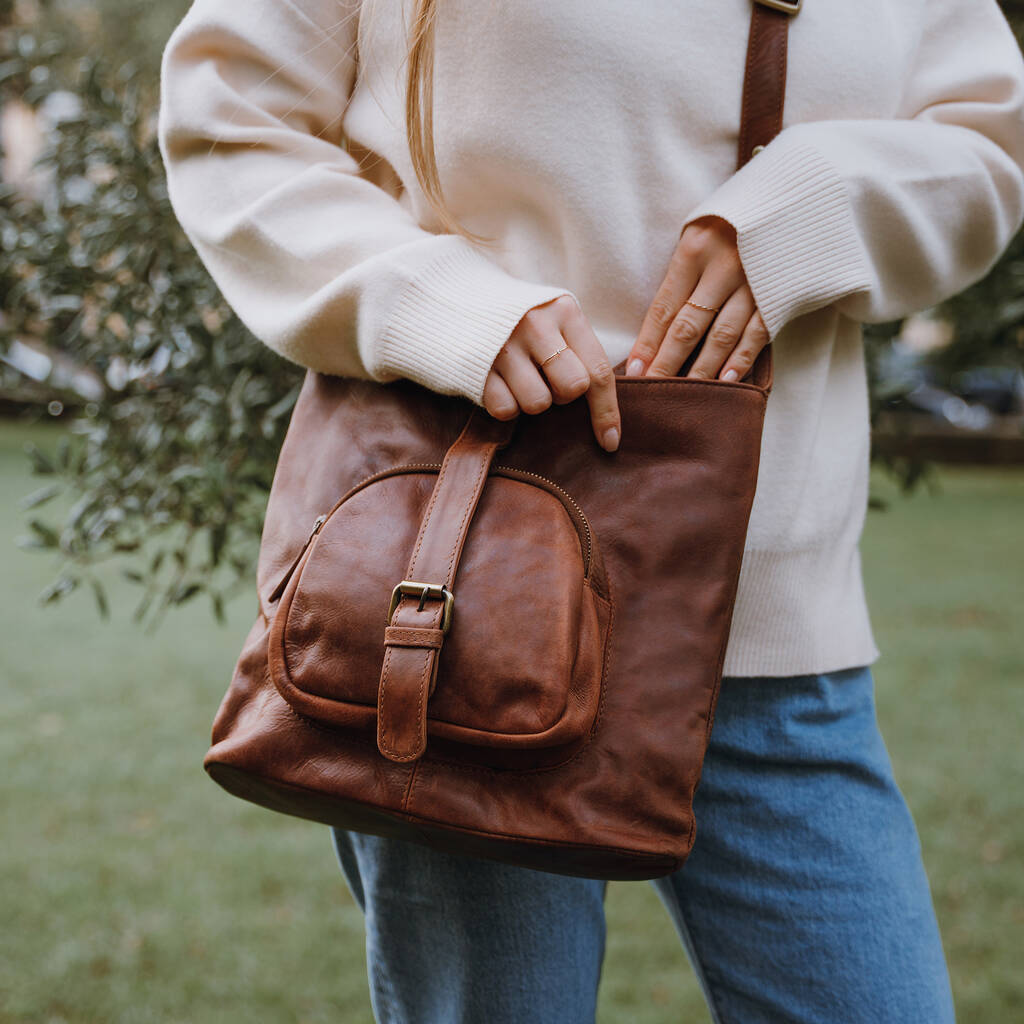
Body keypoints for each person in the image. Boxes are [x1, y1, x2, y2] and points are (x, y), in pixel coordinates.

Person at [157, 1, 1024, 1020]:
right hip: (462, 616)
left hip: (773, 637)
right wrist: (436, 303)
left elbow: (987, 141)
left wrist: (815, 211)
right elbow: (231, 117)